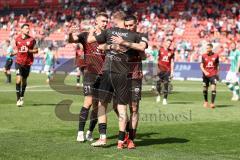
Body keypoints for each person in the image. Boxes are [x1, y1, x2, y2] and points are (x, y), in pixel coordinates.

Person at [87, 11, 148, 149]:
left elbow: (143, 52)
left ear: (136, 24)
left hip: (134, 76)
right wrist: (112, 46)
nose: (128, 28)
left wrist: (124, 43)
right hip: (119, 74)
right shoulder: (118, 34)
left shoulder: (140, 36)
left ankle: (130, 138)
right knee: (116, 106)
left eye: (131, 25)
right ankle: (124, 133)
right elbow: (101, 46)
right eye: (126, 25)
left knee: (134, 107)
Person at [69, 12, 108, 142]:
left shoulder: (107, 37)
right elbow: (72, 40)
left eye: (106, 21)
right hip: (90, 73)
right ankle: (80, 132)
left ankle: (90, 131)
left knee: (98, 106)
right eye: (103, 21)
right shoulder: (86, 35)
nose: (105, 23)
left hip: (103, 74)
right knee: (89, 102)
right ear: (96, 22)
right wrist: (70, 33)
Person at [15, 23, 38, 107]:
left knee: (24, 81)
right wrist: (13, 53)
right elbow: (18, 50)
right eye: (26, 28)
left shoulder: (32, 40)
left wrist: (29, 50)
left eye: (28, 28)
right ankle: (18, 100)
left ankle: (22, 96)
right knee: (18, 80)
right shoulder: (17, 39)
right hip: (18, 62)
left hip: (27, 63)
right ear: (22, 30)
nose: (28, 30)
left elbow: (36, 51)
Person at [200, 43, 219, 109]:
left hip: (213, 74)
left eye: (208, 48)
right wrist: (205, 72)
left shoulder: (216, 55)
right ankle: (206, 101)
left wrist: (217, 74)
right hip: (205, 75)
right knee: (205, 88)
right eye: (206, 48)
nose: (207, 49)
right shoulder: (203, 55)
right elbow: (201, 66)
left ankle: (212, 103)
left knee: (213, 88)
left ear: (211, 48)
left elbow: (217, 65)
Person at [156, 39, 174, 105]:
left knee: (166, 84)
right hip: (160, 70)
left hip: (167, 70)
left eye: (170, 43)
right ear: (165, 43)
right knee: (158, 84)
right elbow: (157, 59)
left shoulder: (172, 52)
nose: (169, 44)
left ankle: (165, 99)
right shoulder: (160, 50)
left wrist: (172, 71)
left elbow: (172, 62)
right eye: (168, 43)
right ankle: (158, 94)